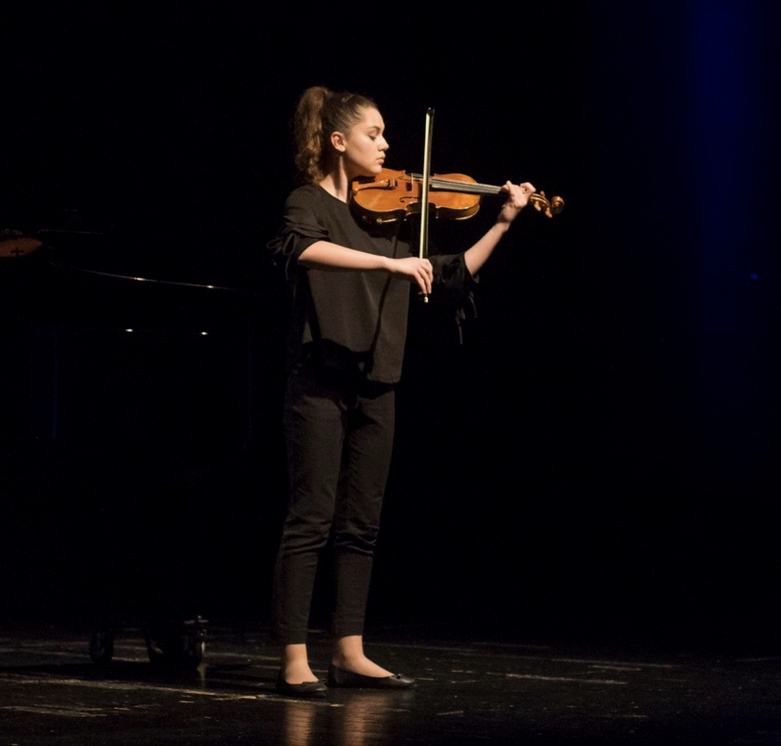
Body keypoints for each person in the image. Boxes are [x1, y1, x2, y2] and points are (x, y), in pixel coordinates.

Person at [266, 86, 535, 697]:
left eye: (386, 135)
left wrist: (503, 218)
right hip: (319, 379)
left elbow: (452, 273)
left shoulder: (391, 217)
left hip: (378, 380)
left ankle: (351, 651)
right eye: (375, 135)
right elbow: (301, 250)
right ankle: (293, 657)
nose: (388, 147)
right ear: (339, 141)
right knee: (310, 519)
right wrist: (388, 265)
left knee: (361, 524)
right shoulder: (307, 202)